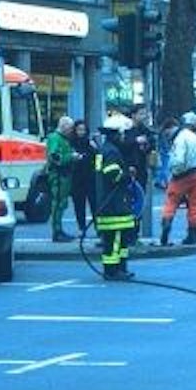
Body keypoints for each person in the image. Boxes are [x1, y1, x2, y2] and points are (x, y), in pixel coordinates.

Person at [94, 112, 137, 281]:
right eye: (121, 133)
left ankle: (116, 268)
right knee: (116, 240)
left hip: (108, 203)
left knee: (114, 240)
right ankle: (114, 270)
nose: (123, 136)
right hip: (115, 205)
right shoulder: (111, 152)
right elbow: (113, 175)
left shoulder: (104, 150)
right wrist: (128, 173)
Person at [160, 113, 196, 246]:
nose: (166, 136)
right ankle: (192, 234)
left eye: (166, 133)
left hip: (184, 175)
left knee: (171, 200)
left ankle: (166, 227)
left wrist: (173, 173)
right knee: (195, 204)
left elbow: (179, 161)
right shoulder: (192, 136)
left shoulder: (179, 139)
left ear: (170, 128)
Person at [45, 115, 76, 242]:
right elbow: (55, 157)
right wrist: (71, 156)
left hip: (63, 175)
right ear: (63, 126)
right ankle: (57, 231)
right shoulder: (55, 138)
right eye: (70, 128)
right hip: (58, 175)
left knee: (61, 203)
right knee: (58, 204)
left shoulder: (61, 138)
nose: (71, 131)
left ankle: (59, 230)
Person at [69, 119, 97, 238]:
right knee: (79, 204)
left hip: (90, 177)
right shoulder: (71, 143)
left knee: (94, 203)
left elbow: (96, 156)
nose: (81, 132)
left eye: (83, 130)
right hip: (77, 178)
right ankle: (81, 227)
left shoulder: (90, 143)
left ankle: (98, 227)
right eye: (79, 130)